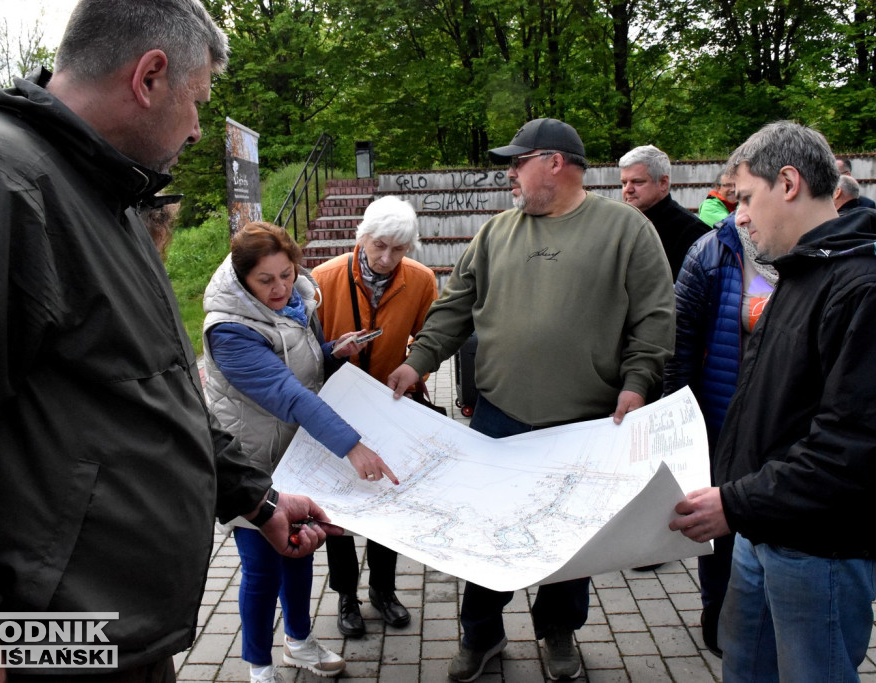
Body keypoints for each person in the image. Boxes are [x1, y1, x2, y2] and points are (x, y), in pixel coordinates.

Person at [0, 2, 339, 681]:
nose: (199, 129)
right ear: (150, 77)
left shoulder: (103, 194)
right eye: (196, 102)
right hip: (38, 647)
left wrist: (257, 499)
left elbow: (151, 389)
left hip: (114, 634)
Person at [387, 118, 675, 682]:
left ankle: (559, 632)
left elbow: (655, 319)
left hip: (586, 420)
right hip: (498, 414)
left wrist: (637, 384)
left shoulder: (626, 230)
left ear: (556, 162)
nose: (510, 173)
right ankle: (482, 635)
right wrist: (416, 362)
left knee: (569, 539)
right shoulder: (496, 232)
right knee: (486, 531)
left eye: (518, 162)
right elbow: (455, 308)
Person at [671, 121, 876, 681]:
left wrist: (733, 502)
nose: (736, 216)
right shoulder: (804, 271)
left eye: (743, 198)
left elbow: (853, 452)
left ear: (787, 183)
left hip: (822, 548)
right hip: (764, 529)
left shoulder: (872, 288)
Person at [202, 222, 400, 683]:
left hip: (297, 454)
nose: (280, 288)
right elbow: (287, 392)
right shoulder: (228, 329)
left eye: (286, 274)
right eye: (265, 280)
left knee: (301, 551)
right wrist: (352, 446)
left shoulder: (297, 300)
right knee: (260, 568)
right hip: (249, 463)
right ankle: (259, 665)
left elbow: (299, 363)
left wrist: (332, 351)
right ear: (241, 279)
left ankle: (299, 642)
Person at [311, 196, 439, 638]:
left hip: (392, 405)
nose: (386, 259)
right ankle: (346, 596)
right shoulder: (323, 279)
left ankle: (384, 591)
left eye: (398, 250)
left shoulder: (421, 280)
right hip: (337, 408)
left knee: (390, 501)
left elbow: (431, 339)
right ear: (361, 237)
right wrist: (331, 356)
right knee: (339, 508)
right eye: (379, 246)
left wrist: (416, 368)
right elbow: (307, 353)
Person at [663, 209, 777, 656]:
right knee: (719, 525)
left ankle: (764, 615)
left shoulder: (804, 255)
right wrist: (678, 418)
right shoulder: (712, 252)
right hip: (718, 421)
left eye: (749, 195)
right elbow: (681, 340)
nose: (741, 207)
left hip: (777, 430)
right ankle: (717, 610)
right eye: (738, 194)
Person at [619, 144, 709, 281]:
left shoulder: (694, 233)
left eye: (637, 182)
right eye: (624, 183)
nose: (628, 189)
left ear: (663, 183)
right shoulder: (620, 225)